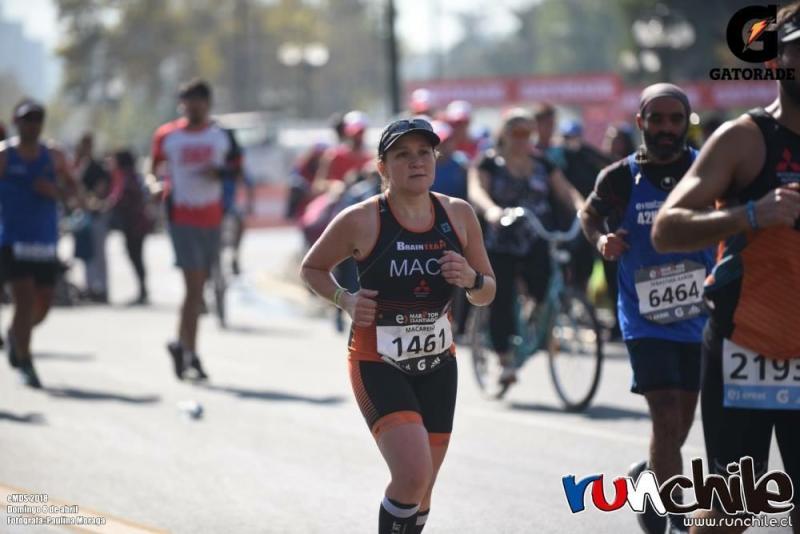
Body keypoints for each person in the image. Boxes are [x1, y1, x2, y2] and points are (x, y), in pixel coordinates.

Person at [300, 118, 495, 534]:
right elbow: (312, 268)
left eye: (424, 153)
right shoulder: (362, 220)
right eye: (402, 155)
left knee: (423, 488)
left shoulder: (459, 215)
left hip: (438, 364)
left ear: (435, 159)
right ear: (382, 167)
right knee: (411, 474)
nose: (416, 162)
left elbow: (487, 291)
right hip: (378, 362)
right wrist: (345, 300)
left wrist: (471, 280)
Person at [653, 5, 800, 532]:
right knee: (732, 513)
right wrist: (752, 214)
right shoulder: (744, 138)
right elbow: (666, 227)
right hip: (746, 345)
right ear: (776, 62)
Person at [580, 83, 715, 534]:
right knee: (665, 412)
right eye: (656, 119)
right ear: (640, 122)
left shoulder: (705, 169)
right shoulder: (620, 177)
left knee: (682, 422)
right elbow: (588, 214)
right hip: (644, 315)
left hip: (700, 315)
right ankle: (675, 517)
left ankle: (648, 480)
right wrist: (601, 238)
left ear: (686, 123)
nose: (665, 128)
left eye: (674, 120)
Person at [469, 108, 584, 386]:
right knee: (501, 297)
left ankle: (535, 322)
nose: (523, 139)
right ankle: (504, 357)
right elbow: (477, 191)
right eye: (516, 132)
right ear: (504, 134)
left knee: (544, 285)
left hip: (537, 237)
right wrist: (493, 211)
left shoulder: (542, 163)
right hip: (503, 240)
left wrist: (583, 209)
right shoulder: (490, 162)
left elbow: (566, 192)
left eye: (527, 133)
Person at [151, 79, 239, 381]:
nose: (195, 106)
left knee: (198, 290)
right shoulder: (167, 136)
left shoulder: (222, 135)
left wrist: (221, 172)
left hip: (212, 217)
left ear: (209, 104)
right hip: (181, 218)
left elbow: (238, 168)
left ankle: (182, 346)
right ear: (181, 104)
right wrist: (154, 188)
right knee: (194, 288)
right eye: (189, 101)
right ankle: (189, 351)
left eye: (201, 100)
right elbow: (154, 172)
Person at [0, 99, 77, 388]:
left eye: (36, 120)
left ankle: (16, 337)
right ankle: (25, 360)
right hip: (12, 240)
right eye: (25, 119)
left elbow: (72, 189)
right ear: (16, 122)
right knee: (24, 299)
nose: (31, 125)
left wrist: (54, 190)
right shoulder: (5, 156)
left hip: (45, 240)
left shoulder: (54, 156)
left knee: (43, 305)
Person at [560, 120, 612, 293]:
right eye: (567, 137)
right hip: (567, 217)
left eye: (574, 137)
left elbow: (609, 165)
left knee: (588, 258)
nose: (571, 141)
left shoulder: (588, 154)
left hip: (591, 214)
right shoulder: (558, 156)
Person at [110, 150, 153, 305]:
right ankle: (142, 290)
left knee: (136, 256)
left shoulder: (127, 177)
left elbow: (121, 198)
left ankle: (143, 290)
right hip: (134, 224)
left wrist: (106, 206)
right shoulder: (129, 176)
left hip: (135, 224)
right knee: (136, 257)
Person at [74, 132, 113, 303]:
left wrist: (89, 201)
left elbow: (100, 190)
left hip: (96, 215)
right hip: (84, 216)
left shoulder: (97, 167)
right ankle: (90, 287)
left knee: (98, 254)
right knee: (86, 254)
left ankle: (102, 289)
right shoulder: (81, 166)